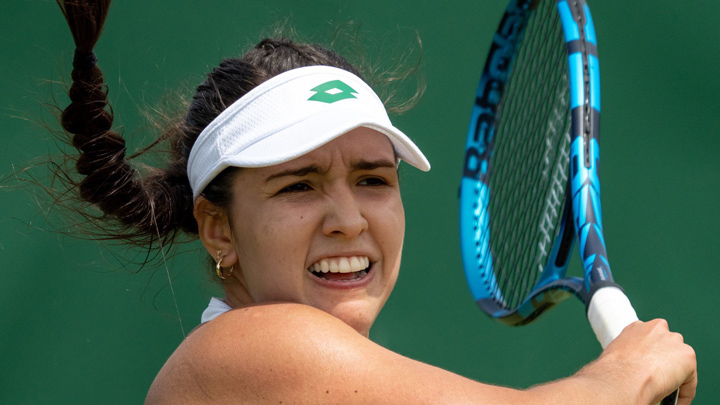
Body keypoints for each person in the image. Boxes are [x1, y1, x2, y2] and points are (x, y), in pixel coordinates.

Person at [54, 1, 696, 404]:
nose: (350, 219)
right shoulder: (245, 348)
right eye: (299, 185)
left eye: (372, 179)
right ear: (218, 229)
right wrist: (624, 374)